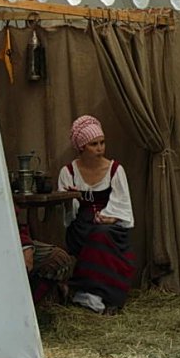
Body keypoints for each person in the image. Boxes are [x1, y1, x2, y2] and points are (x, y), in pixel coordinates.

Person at [58, 115, 135, 315]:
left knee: (101, 235)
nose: (100, 148)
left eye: (102, 142)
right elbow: (68, 216)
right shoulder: (68, 172)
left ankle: (96, 295)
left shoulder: (115, 170)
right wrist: (71, 198)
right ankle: (91, 296)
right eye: (94, 144)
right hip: (80, 227)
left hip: (110, 227)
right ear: (82, 147)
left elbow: (123, 207)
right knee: (91, 233)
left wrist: (110, 217)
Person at [18, 208, 76, 305]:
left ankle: (27, 304)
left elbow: (14, 220)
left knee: (59, 259)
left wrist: (25, 245)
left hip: (13, 239)